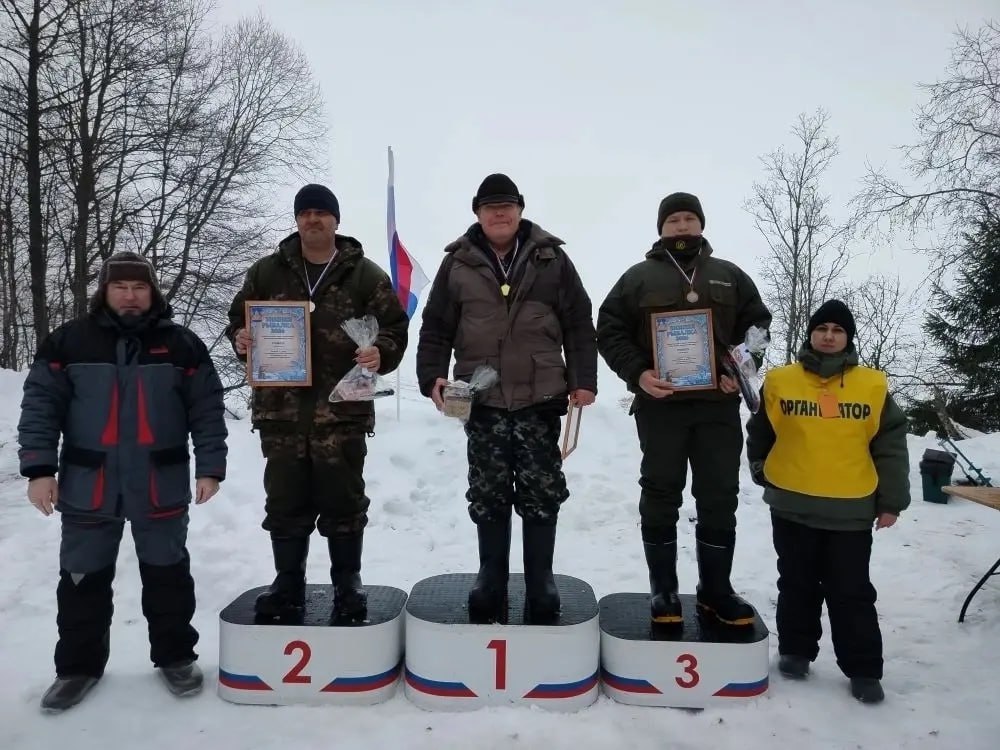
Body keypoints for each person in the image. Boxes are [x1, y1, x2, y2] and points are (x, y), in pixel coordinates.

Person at [17, 252, 228, 712]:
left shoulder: (182, 346)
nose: (130, 296)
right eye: (121, 287)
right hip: (88, 484)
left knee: (168, 575)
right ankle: (77, 668)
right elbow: (40, 407)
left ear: (152, 292)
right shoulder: (68, 343)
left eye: (139, 287)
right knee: (81, 579)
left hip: (160, 482)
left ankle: (175, 658)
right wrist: (38, 470)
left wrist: (210, 466)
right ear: (105, 292)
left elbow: (207, 410)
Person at [416, 173, 597, 625]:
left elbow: (578, 321)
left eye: (507, 205)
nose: (500, 213)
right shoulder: (457, 263)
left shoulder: (551, 258)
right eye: (490, 206)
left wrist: (584, 379)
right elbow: (436, 326)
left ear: (520, 209)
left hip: (541, 398)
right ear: (477, 213)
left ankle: (541, 581)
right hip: (482, 400)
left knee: (541, 493)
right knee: (488, 493)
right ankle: (489, 579)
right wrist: (431, 377)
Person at [226, 183, 408, 625]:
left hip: (341, 414)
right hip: (281, 416)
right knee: (285, 504)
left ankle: (348, 585)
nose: (313, 220)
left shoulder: (364, 275)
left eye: (321, 213)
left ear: (336, 220)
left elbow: (395, 329)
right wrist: (242, 339)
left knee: (344, 504)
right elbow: (238, 321)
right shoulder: (267, 273)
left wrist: (380, 351)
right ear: (296, 220)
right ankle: (287, 584)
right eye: (305, 213)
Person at [596, 192, 771, 627]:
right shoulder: (637, 278)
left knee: (718, 496)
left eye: (689, 218)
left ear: (701, 225)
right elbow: (610, 330)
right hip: (661, 407)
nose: (682, 226)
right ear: (661, 227)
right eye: (673, 219)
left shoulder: (729, 276)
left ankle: (716, 591)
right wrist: (638, 374)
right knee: (660, 493)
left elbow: (757, 327)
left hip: (718, 406)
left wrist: (743, 367)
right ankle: (664, 591)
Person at [746, 299, 909, 704]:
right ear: (811, 334)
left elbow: (890, 446)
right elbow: (761, 430)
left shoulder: (872, 385)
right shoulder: (782, 380)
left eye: (838, 330)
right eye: (823, 329)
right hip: (792, 504)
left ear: (848, 338)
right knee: (796, 582)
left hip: (850, 509)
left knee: (850, 590)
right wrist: (761, 468)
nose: (829, 336)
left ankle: (864, 669)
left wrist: (891, 501)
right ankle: (796, 651)